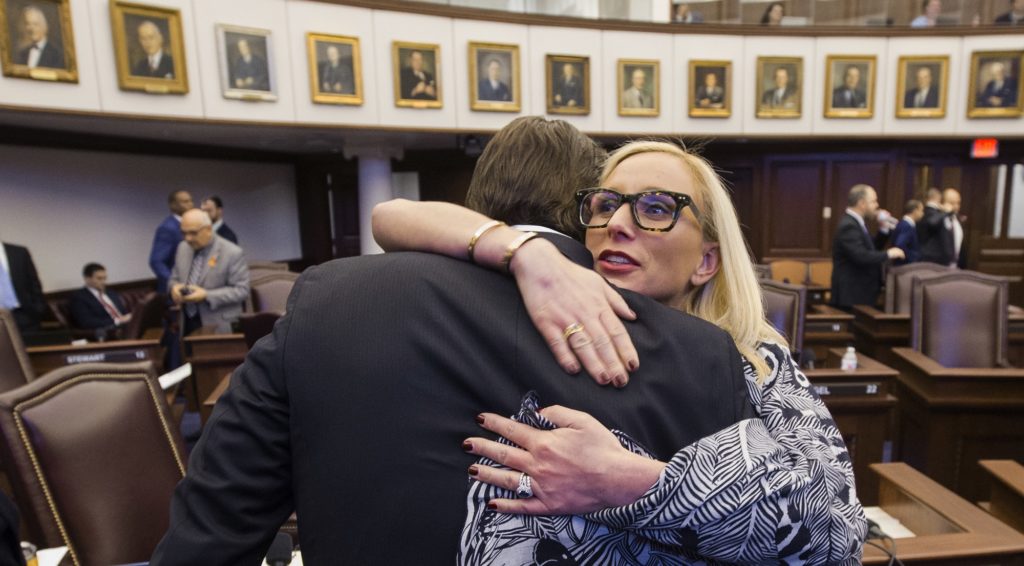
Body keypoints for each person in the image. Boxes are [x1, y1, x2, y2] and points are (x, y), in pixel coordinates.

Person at [150, 117, 755, 565]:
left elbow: (209, 539)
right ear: (587, 216)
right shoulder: (702, 355)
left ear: (475, 207)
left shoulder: (324, 303)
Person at [373, 140, 866, 562]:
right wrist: (525, 252)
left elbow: (837, 535)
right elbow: (390, 216)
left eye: (656, 208)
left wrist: (631, 481)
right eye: (606, 205)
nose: (617, 224)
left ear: (707, 260)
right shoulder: (555, 318)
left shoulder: (754, 358)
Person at [168, 209, 249, 336]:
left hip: (219, 324)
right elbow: (174, 279)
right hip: (187, 321)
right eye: (184, 233)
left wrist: (206, 295)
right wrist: (174, 288)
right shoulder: (182, 248)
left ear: (208, 229)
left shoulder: (232, 252)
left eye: (193, 233)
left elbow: (241, 290)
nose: (188, 238)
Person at [830, 184, 904, 310]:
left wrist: (883, 229)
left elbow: (871, 249)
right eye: (873, 201)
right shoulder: (848, 225)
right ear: (862, 203)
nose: (877, 205)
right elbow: (861, 256)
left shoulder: (857, 223)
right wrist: (888, 254)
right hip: (852, 294)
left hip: (860, 292)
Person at [149, 189, 192, 294]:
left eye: (191, 201)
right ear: (173, 205)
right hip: (176, 293)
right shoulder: (168, 228)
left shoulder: (190, 225)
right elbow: (156, 261)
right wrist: (175, 284)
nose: (190, 204)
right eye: (185, 202)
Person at [68, 263, 131, 332]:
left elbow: (124, 313)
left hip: (127, 326)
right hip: (108, 331)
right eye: (99, 278)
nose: (104, 282)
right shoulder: (79, 298)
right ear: (87, 279)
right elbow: (87, 322)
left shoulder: (111, 293)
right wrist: (117, 320)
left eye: (105, 278)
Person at [0, 240, 46, 334]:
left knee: (33, 347)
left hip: (25, 314)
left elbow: (34, 282)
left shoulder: (19, 252)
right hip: (1, 316)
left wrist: (38, 309)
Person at [892, 199, 924, 265]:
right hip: (904, 266)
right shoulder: (906, 226)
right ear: (915, 211)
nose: (923, 213)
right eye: (921, 210)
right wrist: (914, 257)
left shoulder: (904, 224)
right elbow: (900, 244)